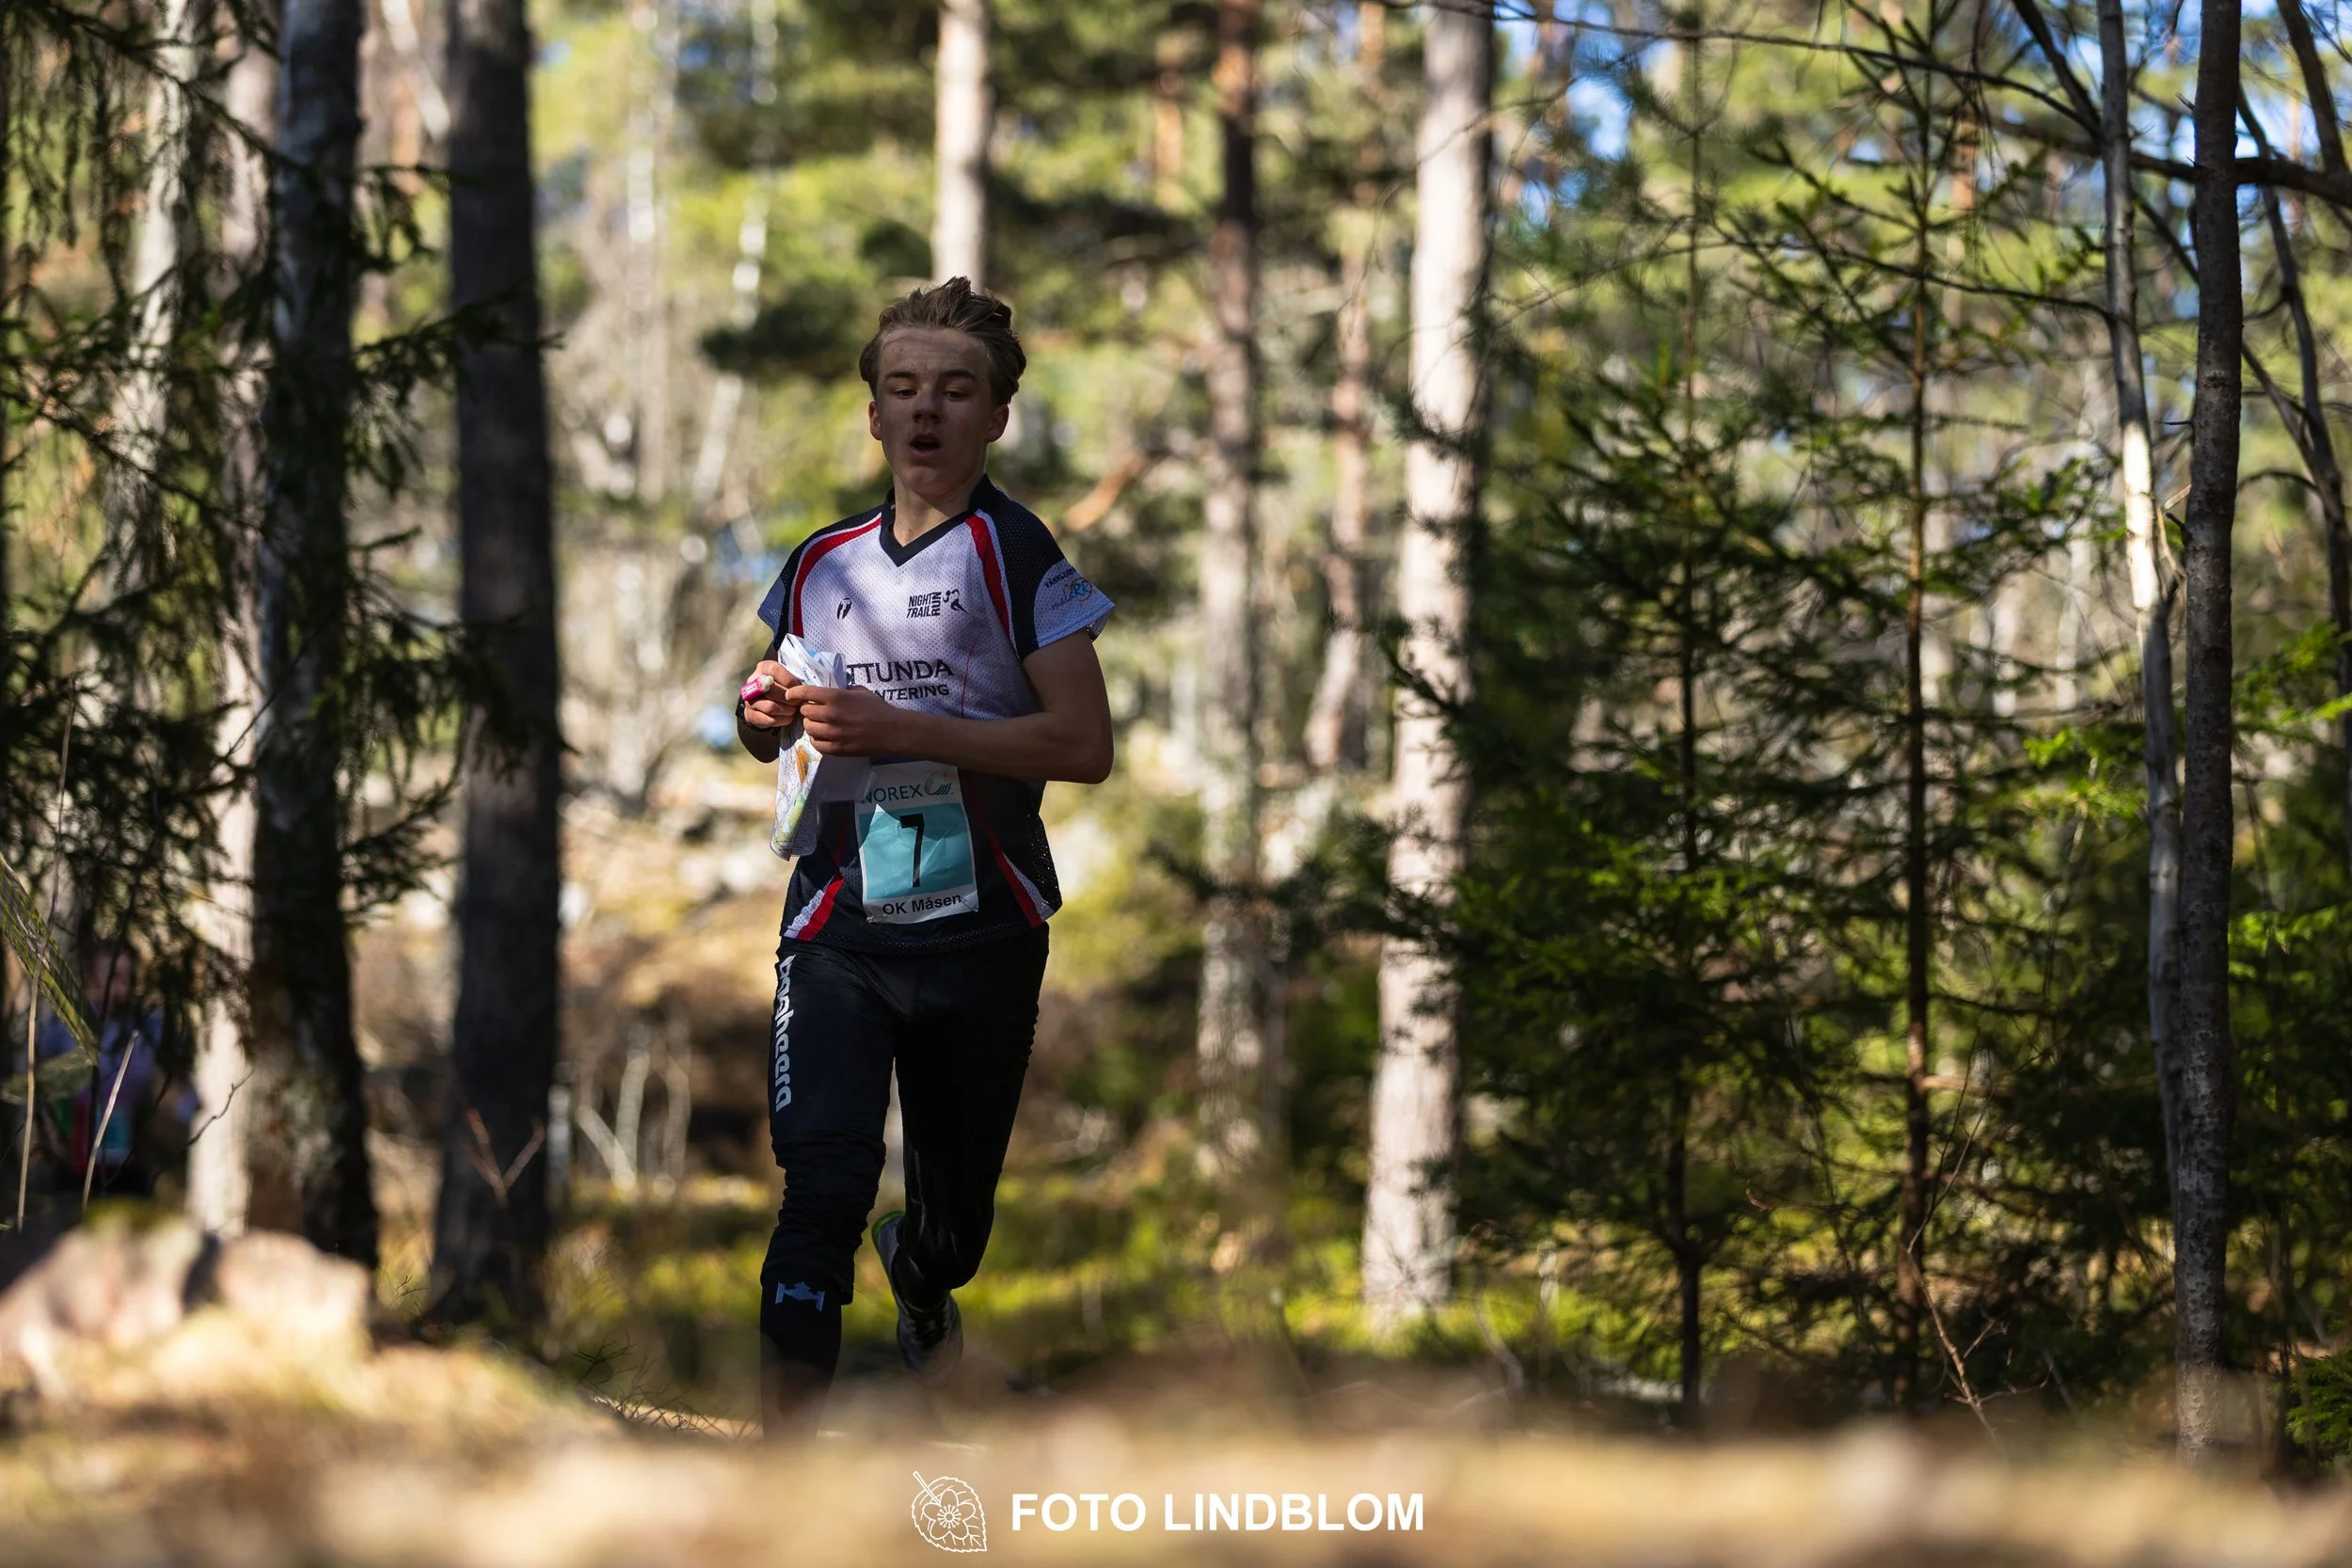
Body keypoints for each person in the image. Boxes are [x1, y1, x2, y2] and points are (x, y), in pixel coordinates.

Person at [735, 277, 1115, 1433]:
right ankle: (780, 1455)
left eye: (955, 390)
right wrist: (765, 710)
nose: (926, 412)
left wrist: (902, 730)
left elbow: (1084, 744)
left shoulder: (1017, 552)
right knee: (822, 1183)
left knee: (952, 1226)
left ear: (996, 415)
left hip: (980, 928)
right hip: (838, 918)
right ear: (873, 413)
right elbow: (765, 719)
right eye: (902, 389)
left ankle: (926, 1275)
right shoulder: (821, 559)